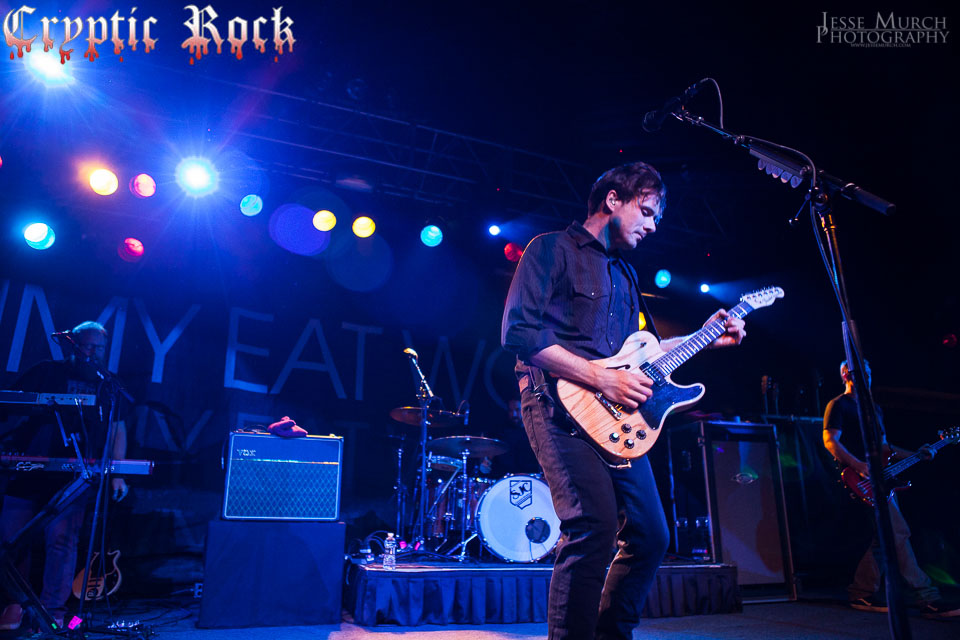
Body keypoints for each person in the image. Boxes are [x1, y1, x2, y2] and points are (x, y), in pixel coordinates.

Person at [501, 162, 746, 640]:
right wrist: (599, 378)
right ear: (614, 199)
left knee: (652, 535)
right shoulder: (551, 248)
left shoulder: (626, 273)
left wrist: (706, 335)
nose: (653, 226)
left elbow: (646, 354)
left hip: (615, 420)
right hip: (555, 404)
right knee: (591, 527)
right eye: (648, 211)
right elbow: (519, 333)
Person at [0, 322, 129, 631]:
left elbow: (117, 430)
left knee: (62, 541)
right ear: (72, 344)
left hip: (75, 474)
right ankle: (15, 605)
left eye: (99, 347)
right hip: (28, 470)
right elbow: (10, 405)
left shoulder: (107, 385)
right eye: (87, 345)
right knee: (10, 539)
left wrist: (118, 474)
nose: (93, 352)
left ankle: (53, 611)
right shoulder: (46, 371)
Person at [822, 360, 960, 618]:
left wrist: (919, 454)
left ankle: (861, 592)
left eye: (870, 372)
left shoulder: (875, 409)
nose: (868, 377)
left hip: (882, 482)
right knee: (899, 532)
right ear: (845, 374)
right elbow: (830, 441)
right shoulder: (839, 405)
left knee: (883, 539)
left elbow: (885, 447)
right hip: (857, 478)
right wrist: (859, 465)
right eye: (862, 372)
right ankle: (926, 598)